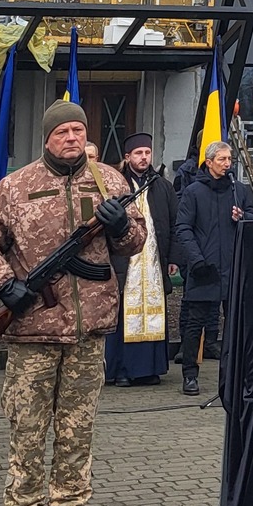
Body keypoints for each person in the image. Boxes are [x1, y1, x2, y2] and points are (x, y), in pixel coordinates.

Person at [0, 99, 143, 506]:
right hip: (33, 333)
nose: (71, 137)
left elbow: (136, 240)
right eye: (62, 131)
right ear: (47, 138)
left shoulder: (110, 180)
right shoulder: (16, 186)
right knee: (27, 431)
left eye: (78, 130)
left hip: (88, 334)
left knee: (76, 432)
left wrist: (122, 226)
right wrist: (6, 286)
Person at [172, 139, 248, 399]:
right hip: (204, 267)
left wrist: (244, 218)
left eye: (230, 160)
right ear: (209, 162)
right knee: (196, 323)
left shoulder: (239, 190)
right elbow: (183, 228)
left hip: (232, 267)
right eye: (222, 159)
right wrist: (197, 260)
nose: (227, 164)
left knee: (234, 323)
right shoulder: (194, 191)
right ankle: (190, 374)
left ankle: (231, 376)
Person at [106, 133, 176, 387]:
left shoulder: (163, 186)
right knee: (127, 313)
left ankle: (150, 368)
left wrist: (173, 258)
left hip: (154, 261)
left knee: (154, 312)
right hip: (127, 261)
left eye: (147, 153)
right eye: (138, 153)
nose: (144, 158)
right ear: (127, 157)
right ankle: (123, 369)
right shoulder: (117, 186)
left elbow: (173, 223)